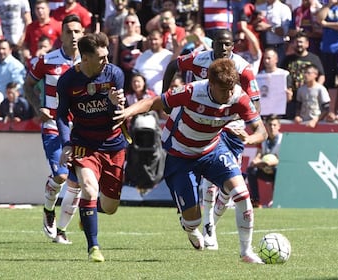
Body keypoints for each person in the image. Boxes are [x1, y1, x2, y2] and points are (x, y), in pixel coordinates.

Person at [114, 57, 268, 264]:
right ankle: (189, 226)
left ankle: (246, 252)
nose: (229, 94)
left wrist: (250, 138)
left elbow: (262, 131)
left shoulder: (238, 97)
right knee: (192, 220)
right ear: (211, 84)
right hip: (181, 156)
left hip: (212, 150)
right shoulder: (192, 92)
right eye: (224, 90)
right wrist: (127, 112)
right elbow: (152, 102)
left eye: (232, 89)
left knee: (241, 194)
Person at [162, 28, 261, 250]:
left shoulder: (243, 69)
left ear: (233, 46)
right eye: (219, 43)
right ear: (212, 44)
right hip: (203, 124)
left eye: (228, 44)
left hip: (231, 125)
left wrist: (243, 121)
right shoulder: (199, 59)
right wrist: (164, 91)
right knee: (209, 183)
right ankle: (207, 226)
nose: (223, 48)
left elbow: (256, 103)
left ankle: (211, 224)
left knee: (228, 188)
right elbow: (173, 65)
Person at [56, 32, 127, 262]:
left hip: (114, 144)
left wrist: (113, 104)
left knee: (110, 206)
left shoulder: (115, 74)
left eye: (107, 56)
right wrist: (67, 144)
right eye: (101, 57)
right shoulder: (67, 81)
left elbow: (116, 116)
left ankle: (88, 215)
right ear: (85, 58)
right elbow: (60, 115)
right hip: (84, 144)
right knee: (89, 188)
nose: (107, 61)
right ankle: (93, 247)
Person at [24, 14, 84, 244]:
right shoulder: (47, 60)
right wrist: (38, 106)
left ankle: (61, 231)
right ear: (61, 34)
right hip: (53, 127)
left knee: (77, 181)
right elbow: (28, 85)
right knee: (60, 175)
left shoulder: (88, 64)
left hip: (80, 129)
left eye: (77, 31)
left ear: (83, 34)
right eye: (69, 31)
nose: (74, 36)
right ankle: (49, 210)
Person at [281, 32, 325, 119]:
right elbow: (281, 76)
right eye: (297, 42)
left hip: (307, 98)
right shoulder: (287, 59)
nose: (299, 44)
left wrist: (316, 89)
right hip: (291, 99)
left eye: (301, 42)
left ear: (307, 44)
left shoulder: (314, 58)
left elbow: (322, 75)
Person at [247, 115, 282, 208]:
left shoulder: (283, 140)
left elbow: (285, 160)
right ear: (266, 126)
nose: (272, 127)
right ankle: (255, 201)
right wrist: (256, 161)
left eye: (274, 125)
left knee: (279, 170)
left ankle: (276, 200)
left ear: (279, 126)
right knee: (251, 170)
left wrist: (271, 162)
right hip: (265, 169)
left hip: (279, 171)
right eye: (270, 125)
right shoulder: (263, 140)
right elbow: (258, 156)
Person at [316, 0, 338, 90]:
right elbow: (319, 19)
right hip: (326, 49)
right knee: (327, 81)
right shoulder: (327, 6)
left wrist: (326, 24)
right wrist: (330, 4)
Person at [111, 13, 147, 92]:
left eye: (132, 22)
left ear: (136, 24)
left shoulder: (142, 40)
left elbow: (145, 59)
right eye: (127, 22)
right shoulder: (119, 38)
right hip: (122, 73)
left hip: (136, 74)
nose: (130, 25)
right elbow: (115, 58)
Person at [133, 29, 173, 95]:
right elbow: (136, 73)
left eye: (155, 39)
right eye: (151, 39)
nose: (153, 42)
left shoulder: (168, 55)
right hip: (144, 95)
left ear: (161, 39)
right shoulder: (143, 56)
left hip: (161, 95)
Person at [255, 0, 292, 66]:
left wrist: (267, 27)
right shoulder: (259, 8)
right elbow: (253, 27)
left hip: (278, 47)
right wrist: (256, 21)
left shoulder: (284, 9)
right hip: (261, 47)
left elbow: (284, 32)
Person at [259, 48, 293, 116]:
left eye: (269, 58)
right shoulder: (259, 76)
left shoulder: (284, 74)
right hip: (264, 112)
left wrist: (289, 95)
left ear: (276, 59)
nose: (266, 61)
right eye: (265, 58)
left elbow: (289, 96)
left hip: (280, 112)